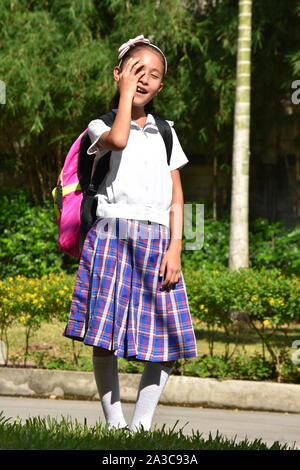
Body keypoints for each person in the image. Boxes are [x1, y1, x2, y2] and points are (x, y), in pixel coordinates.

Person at [63, 34, 198, 434]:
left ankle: (141, 427)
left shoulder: (166, 132)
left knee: (167, 337)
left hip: (158, 241)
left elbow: (176, 191)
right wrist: (125, 97)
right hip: (110, 236)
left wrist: (176, 247)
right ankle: (114, 424)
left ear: (161, 86)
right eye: (136, 70)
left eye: (153, 75)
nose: (144, 79)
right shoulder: (98, 126)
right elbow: (118, 139)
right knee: (105, 335)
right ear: (118, 74)